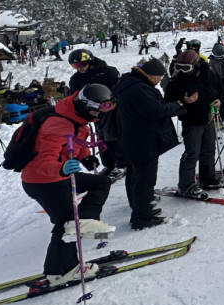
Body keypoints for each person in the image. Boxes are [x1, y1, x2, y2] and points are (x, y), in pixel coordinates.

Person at [20, 84, 116, 285]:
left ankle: (85, 221)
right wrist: (61, 169)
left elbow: (74, 145)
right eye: (96, 111)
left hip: (59, 176)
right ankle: (61, 271)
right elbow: (45, 160)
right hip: (43, 180)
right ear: (84, 106)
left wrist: (86, 158)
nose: (98, 116)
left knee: (101, 182)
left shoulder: (76, 119)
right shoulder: (57, 125)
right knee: (65, 223)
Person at [113, 59, 186, 229]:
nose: (160, 80)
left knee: (135, 175)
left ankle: (140, 207)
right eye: (159, 77)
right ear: (152, 75)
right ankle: (142, 216)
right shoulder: (139, 88)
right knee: (145, 179)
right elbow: (156, 111)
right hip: (143, 141)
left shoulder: (132, 84)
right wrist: (175, 105)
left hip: (134, 138)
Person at [164, 49, 223, 198]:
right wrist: (185, 102)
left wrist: (219, 100)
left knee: (209, 149)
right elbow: (168, 102)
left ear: (195, 65)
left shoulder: (207, 74)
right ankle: (186, 185)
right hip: (192, 121)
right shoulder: (177, 82)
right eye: (179, 67)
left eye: (185, 68)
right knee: (192, 152)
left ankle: (206, 177)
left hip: (208, 117)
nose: (182, 71)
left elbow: (218, 90)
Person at [68, 48, 123, 180]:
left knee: (112, 135)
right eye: (75, 66)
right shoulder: (76, 78)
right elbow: (75, 95)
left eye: (81, 64)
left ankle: (120, 164)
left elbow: (118, 88)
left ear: (90, 60)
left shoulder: (107, 71)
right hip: (93, 111)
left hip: (111, 108)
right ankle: (108, 164)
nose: (79, 68)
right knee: (99, 137)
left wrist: (112, 102)